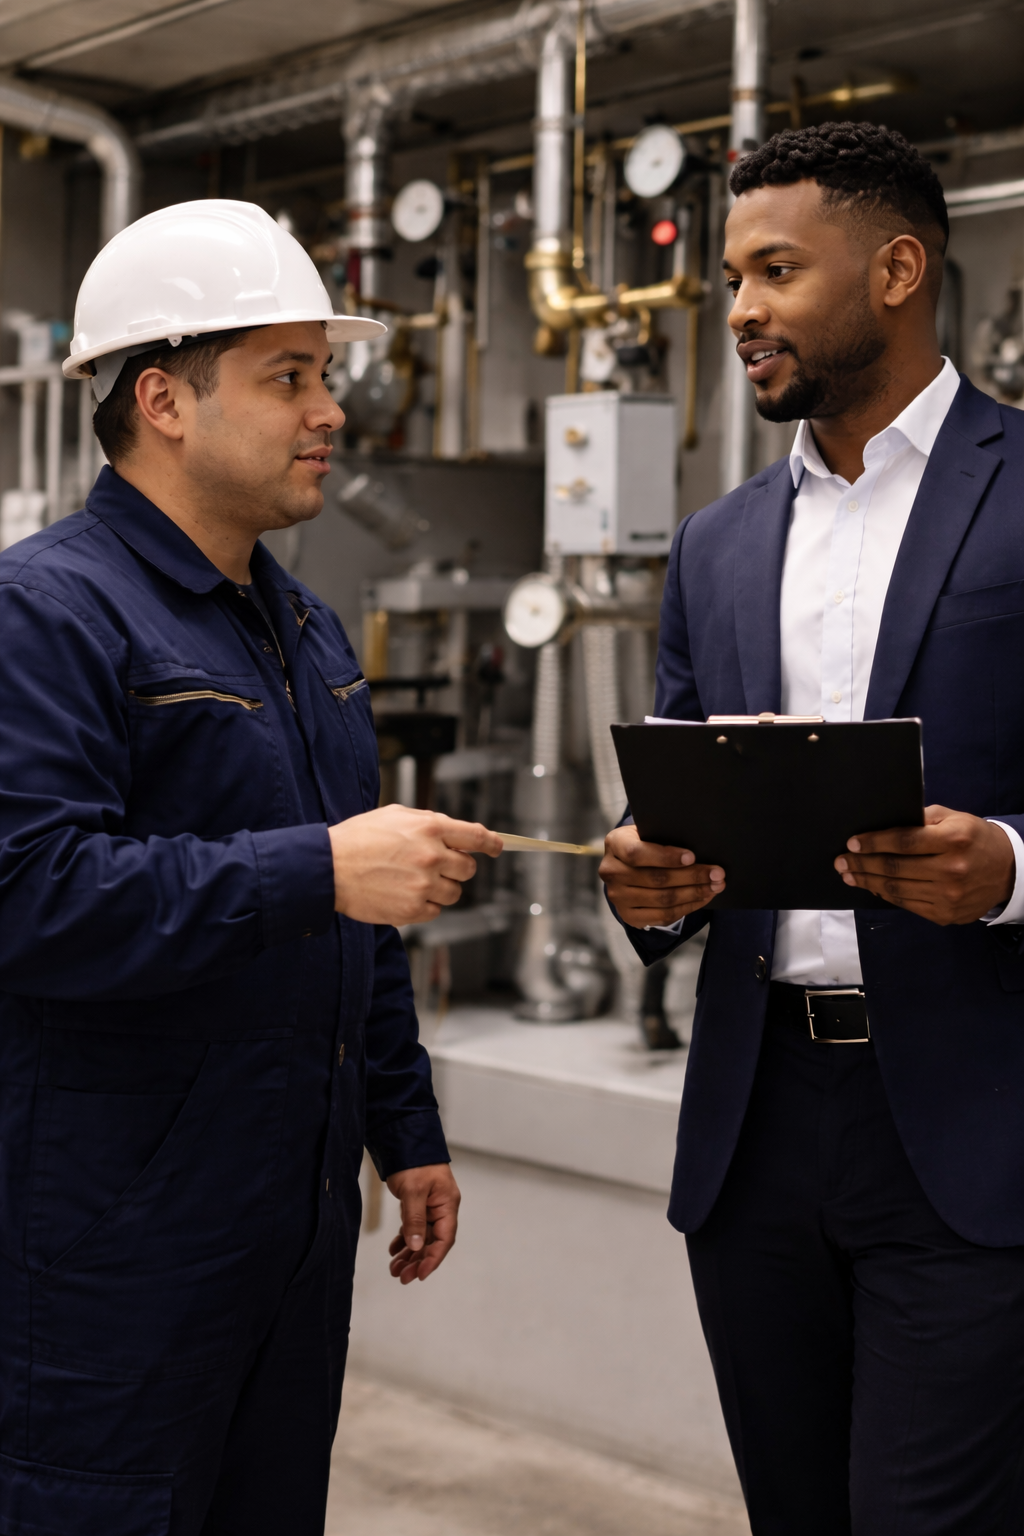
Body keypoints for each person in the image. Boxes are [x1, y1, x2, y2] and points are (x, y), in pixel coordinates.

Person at [0, 199, 501, 1536]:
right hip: (115, 1246)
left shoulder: (304, 625)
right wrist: (317, 871)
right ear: (163, 397)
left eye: (323, 375)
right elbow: (32, 897)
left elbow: (363, 912)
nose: (328, 409)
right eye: (291, 376)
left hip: (289, 1232)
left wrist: (406, 1128)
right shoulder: (45, 612)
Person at [599, 122, 1024, 1534]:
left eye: (778, 270)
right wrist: (645, 878)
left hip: (968, 1130)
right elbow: (671, 795)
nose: (740, 311)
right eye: (732, 276)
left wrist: (1013, 870)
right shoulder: (715, 544)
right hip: (756, 1128)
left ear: (899, 269)